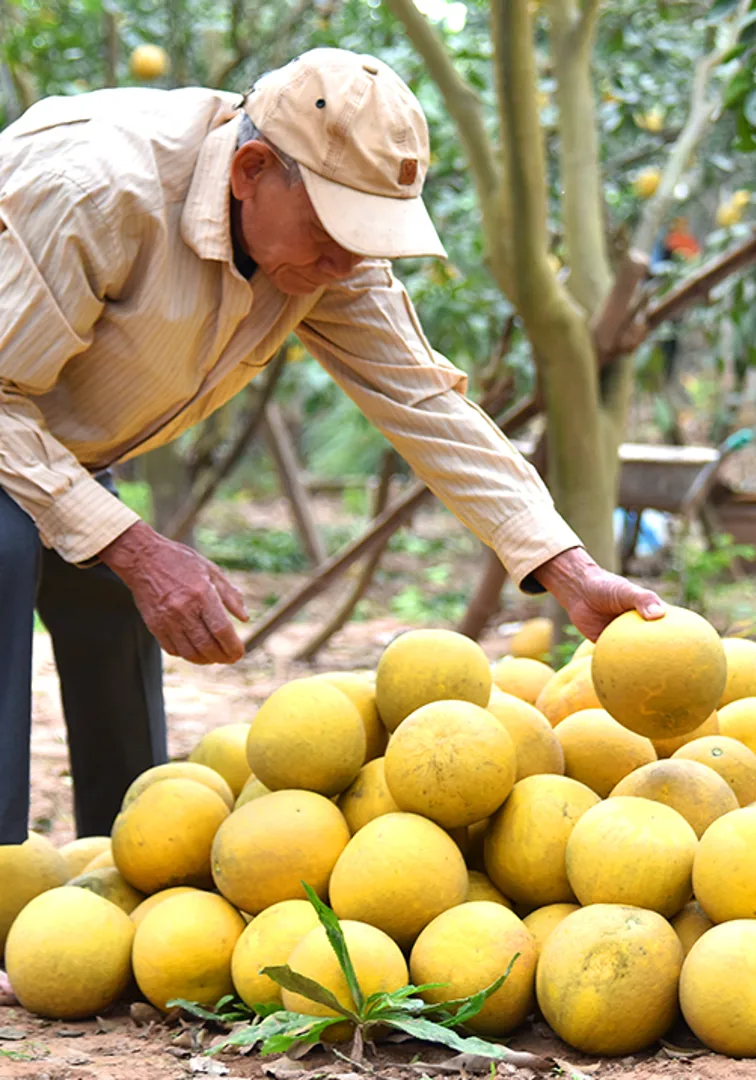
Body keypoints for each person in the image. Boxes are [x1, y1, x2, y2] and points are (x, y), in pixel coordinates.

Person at [0, 48, 663, 851]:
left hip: (51, 438)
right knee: (16, 550)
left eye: (367, 237)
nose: (347, 262)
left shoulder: (326, 261)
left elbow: (422, 400)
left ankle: (116, 871)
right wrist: (137, 547)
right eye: (332, 231)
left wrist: (567, 566)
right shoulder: (95, 190)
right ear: (250, 170)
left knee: (111, 595)